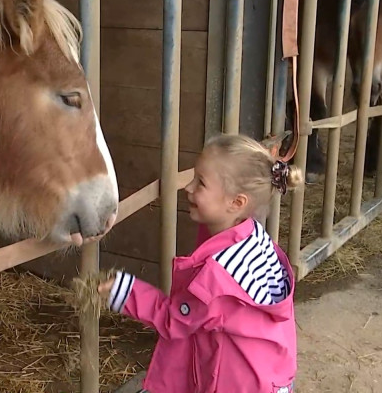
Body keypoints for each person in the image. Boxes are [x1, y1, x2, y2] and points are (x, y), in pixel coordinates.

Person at [98, 133, 302, 393]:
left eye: (201, 183)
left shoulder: (219, 277)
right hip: (272, 376)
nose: (188, 187)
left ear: (236, 202)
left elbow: (173, 319)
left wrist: (124, 292)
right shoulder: (252, 236)